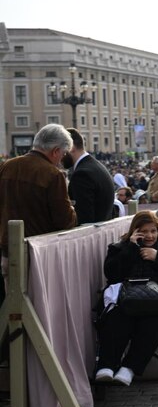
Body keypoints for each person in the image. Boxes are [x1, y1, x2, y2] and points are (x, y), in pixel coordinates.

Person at [95, 211, 158, 386]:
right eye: (144, 231)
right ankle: (106, 366)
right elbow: (111, 275)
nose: (150, 235)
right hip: (126, 300)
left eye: (153, 231)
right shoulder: (119, 248)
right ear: (135, 231)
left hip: (156, 302)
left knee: (154, 322)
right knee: (117, 318)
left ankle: (129, 368)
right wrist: (129, 249)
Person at [0, 124, 77, 293]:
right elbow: (64, 220)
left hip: (8, 250)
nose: (61, 159)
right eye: (63, 154)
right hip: (38, 254)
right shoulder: (53, 174)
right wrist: (72, 210)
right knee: (37, 309)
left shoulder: (6, 166)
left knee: (12, 306)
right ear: (56, 151)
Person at [62, 128, 115, 225]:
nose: (60, 155)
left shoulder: (82, 174)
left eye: (60, 150)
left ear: (71, 147)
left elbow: (84, 220)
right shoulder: (95, 166)